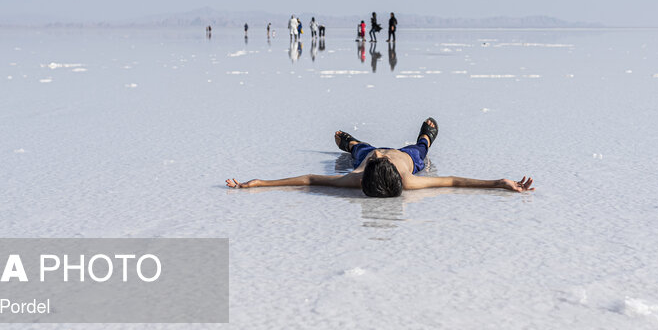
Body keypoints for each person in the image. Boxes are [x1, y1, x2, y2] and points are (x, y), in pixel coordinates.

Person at [226, 118, 535, 197]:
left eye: (378, 161)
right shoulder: (410, 179)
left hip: (366, 155)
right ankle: (425, 137)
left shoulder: (355, 177)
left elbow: (308, 180)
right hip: (408, 157)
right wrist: (498, 182)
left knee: (358, 149)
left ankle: (353, 145)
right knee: (422, 149)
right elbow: (453, 182)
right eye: (378, 160)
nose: (381, 156)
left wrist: (257, 183)